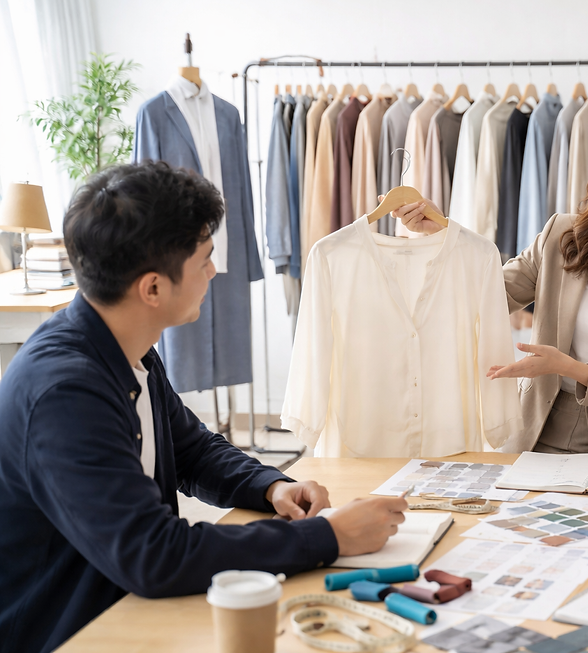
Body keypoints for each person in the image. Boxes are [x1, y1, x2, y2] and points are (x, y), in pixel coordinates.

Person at [0, 161, 407, 653]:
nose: (214, 272)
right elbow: (153, 554)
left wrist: (272, 485)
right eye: (204, 261)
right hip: (73, 630)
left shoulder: (125, 346)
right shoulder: (64, 393)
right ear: (152, 288)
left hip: (131, 611)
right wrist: (328, 537)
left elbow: (191, 450)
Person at [393, 106, 588, 455]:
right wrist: (443, 234)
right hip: (536, 431)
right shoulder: (562, 235)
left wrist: (569, 368)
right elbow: (489, 294)